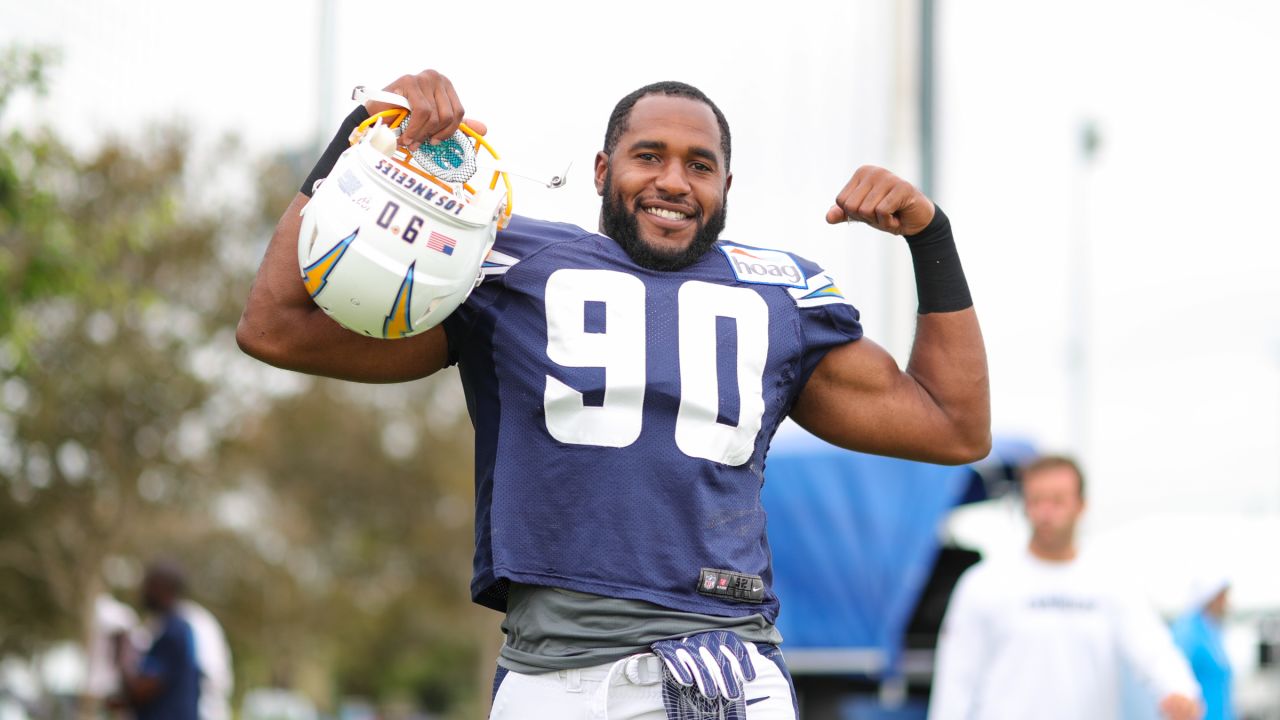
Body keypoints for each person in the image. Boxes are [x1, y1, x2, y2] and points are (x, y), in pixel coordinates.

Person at [237, 69, 991, 719]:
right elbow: (275, 328)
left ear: (727, 186)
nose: (672, 180)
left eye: (700, 165)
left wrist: (932, 237)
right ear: (602, 170)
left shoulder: (777, 296)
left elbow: (953, 426)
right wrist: (361, 137)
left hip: (721, 661)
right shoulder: (506, 268)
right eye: (649, 156)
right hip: (550, 674)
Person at [928, 455, 1202, 720]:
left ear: (1081, 505)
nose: (1046, 513)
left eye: (1057, 501)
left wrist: (1179, 690)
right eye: (1036, 500)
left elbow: (1153, 650)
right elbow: (955, 684)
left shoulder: (1111, 582)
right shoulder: (983, 583)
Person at [113, 561, 201, 720]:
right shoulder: (177, 628)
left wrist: (122, 654)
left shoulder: (173, 633)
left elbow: (140, 691)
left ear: (165, 588)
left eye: (150, 584)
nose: (144, 590)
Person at [1172, 575, 1234, 720]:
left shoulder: (1212, 630)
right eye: (1223, 597)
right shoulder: (1187, 632)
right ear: (1211, 597)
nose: (1227, 603)